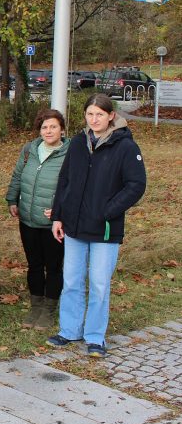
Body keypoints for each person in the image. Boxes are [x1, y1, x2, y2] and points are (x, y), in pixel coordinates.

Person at [47, 94, 146, 358]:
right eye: (90, 114)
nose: (94, 120)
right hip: (74, 226)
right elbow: (65, 179)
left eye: (99, 115)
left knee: (100, 284)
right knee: (71, 281)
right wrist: (58, 215)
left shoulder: (125, 146)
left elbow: (136, 185)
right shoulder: (79, 142)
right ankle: (69, 330)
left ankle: (95, 337)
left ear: (111, 115)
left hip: (104, 229)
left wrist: (108, 210)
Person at [5, 109, 69, 331]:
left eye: (53, 126)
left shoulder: (69, 153)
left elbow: (75, 186)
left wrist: (62, 210)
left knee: (53, 267)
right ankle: (36, 306)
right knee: (34, 265)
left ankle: (49, 310)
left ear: (62, 129)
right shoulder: (29, 150)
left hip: (53, 223)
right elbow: (17, 176)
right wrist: (12, 199)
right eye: (44, 127)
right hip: (28, 218)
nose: (48, 131)